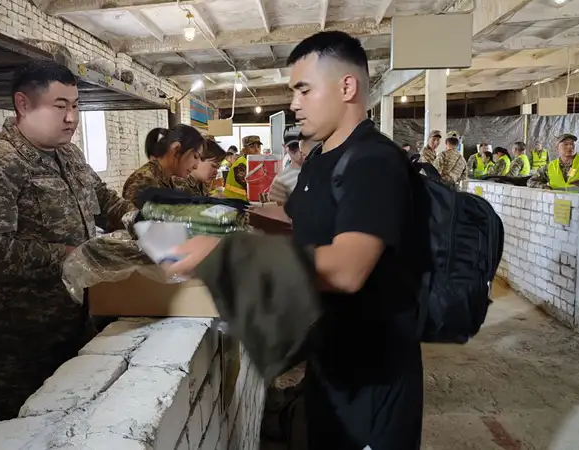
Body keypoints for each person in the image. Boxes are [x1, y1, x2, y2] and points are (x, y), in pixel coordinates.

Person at [165, 31, 424, 450]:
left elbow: (346, 268)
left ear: (346, 87)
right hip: (329, 358)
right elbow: (298, 225)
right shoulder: (323, 160)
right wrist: (231, 218)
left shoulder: (373, 162)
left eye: (304, 89)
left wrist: (231, 254)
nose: (294, 103)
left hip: (372, 373)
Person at [0, 60, 137, 423]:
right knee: (22, 431)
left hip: (74, 320)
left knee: (72, 424)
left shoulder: (68, 154)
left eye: (76, 105)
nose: (71, 117)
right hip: (19, 340)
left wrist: (138, 219)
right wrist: (70, 255)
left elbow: (102, 199)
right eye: (60, 106)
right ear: (23, 104)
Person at [122, 125, 204, 205]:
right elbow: (134, 216)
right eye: (195, 156)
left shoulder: (169, 180)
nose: (195, 166)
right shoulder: (143, 181)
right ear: (176, 149)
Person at [267, 128, 308, 205]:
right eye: (293, 148)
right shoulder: (281, 180)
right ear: (284, 147)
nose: (299, 153)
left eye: (301, 146)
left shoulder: (321, 169)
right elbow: (278, 211)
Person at [224, 135, 263, 200]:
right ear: (244, 150)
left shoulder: (252, 163)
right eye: (252, 147)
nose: (257, 150)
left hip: (243, 201)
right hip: (234, 201)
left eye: (258, 147)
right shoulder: (241, 165)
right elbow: (253, 186)